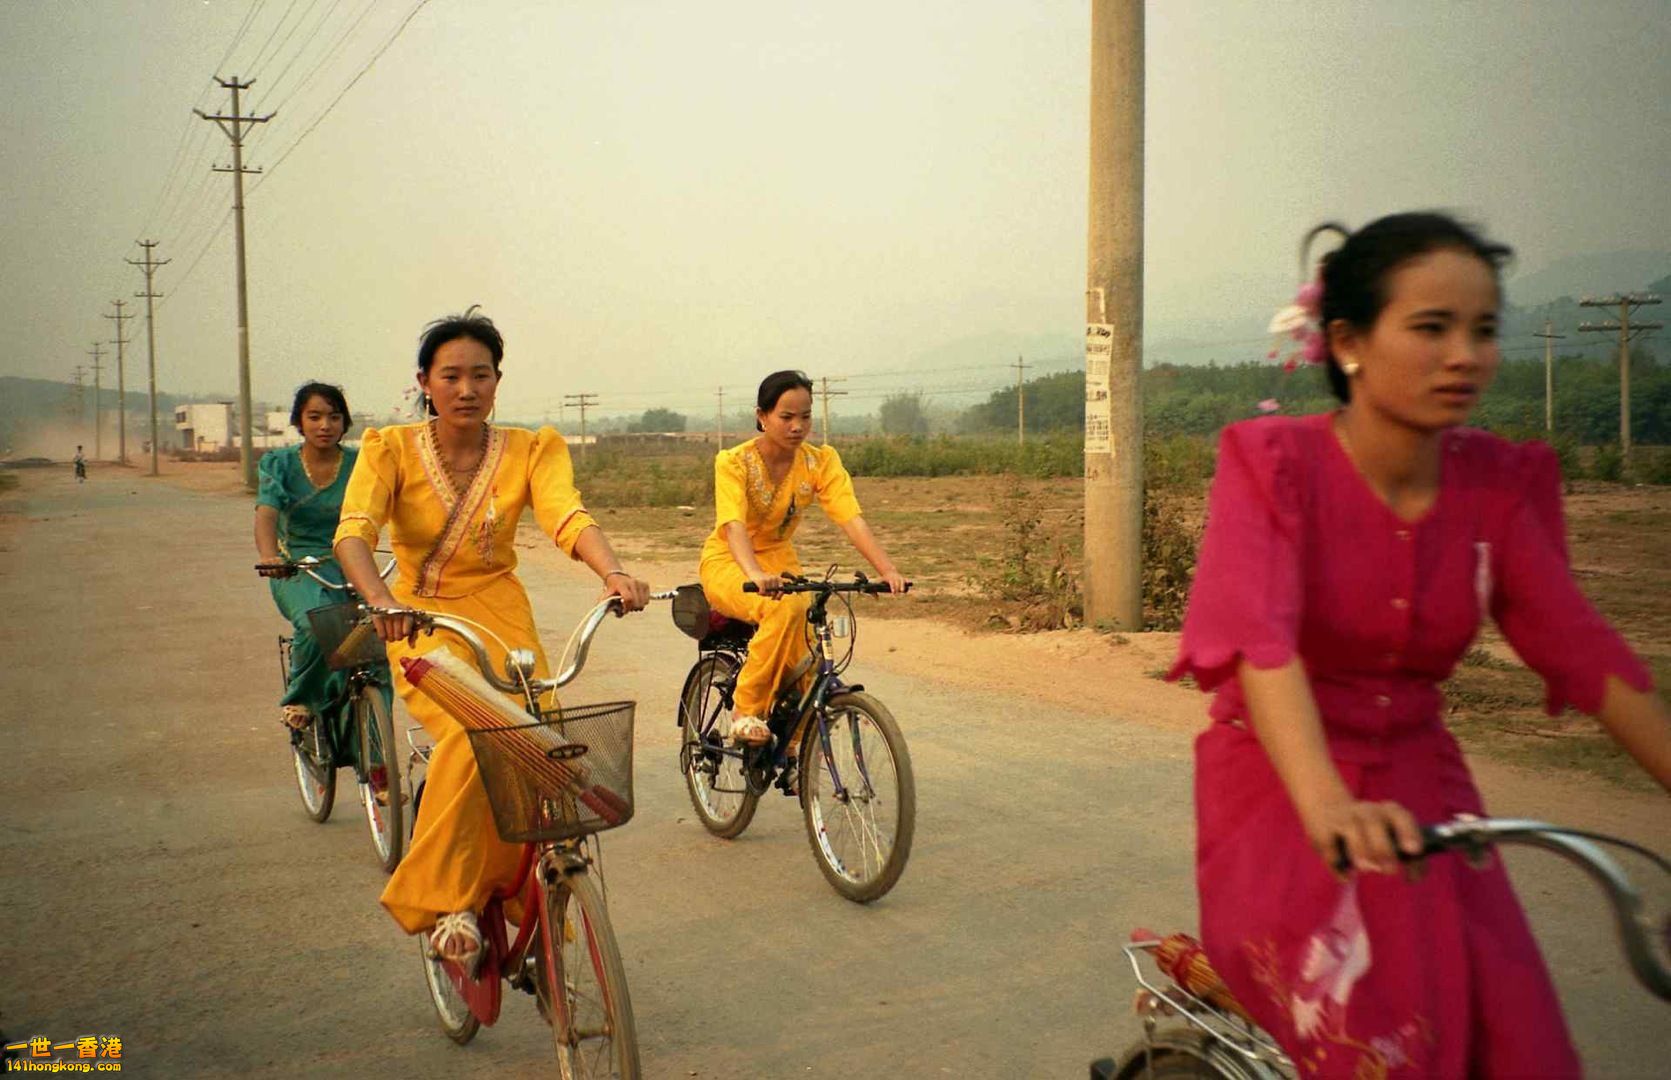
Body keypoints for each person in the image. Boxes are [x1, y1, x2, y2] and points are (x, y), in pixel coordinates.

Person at [1169, 211, 1671, 1077]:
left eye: (1483, 330)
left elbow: (1581, 650)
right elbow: (1263, 642)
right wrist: (1328, 807)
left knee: (1521, 1046)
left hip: (1426, 794)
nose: (1463, 355)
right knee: (1386, 1049)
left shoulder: (1494, 485)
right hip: (1284, 795)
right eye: (1431, 328)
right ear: (1347, 342)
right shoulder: (1273, 463)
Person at [333, 307, 650, 969]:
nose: (466, 389)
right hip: (420, 618)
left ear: (497, 382)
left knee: (541, 741)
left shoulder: (531, 450)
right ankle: (449, 902)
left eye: (480, 375)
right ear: (425, 382)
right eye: (450, 375)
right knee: (469, 732)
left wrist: (613, 571)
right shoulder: (389, 449)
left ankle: (528, 892)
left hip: (502, 614)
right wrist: (381, 602)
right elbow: (355, 531)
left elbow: (567, 516)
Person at [699, 370, 906, 745]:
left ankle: (795, 748)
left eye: (805, 416)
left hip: (781, 562)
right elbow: (733, 524)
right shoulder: (733, 462)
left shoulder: (820, 461)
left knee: (808, 637)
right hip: (730, 561)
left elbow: (850, 517)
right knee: (782, 609)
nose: (798, 426)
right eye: (786, 416)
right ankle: (745, 710)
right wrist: (754, 573)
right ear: (762, 416)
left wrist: (886, 570)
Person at [255, 382, 390, 734]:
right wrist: (270, 556)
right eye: (314, 417)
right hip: (297, 567)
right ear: (299, 421)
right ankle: (302, 698)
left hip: (352, 560)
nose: (325, 425)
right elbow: (266, 513)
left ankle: (377, 755)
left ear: (345, 422)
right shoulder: (279, 464)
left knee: (378, 639)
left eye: (334, 417)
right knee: (315, 625)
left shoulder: (361, 464)